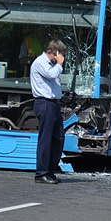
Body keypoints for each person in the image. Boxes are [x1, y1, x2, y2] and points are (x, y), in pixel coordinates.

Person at [30, 40, 67, 184]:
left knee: (58, 138)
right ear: (55, 53)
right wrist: (59, 64)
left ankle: (51, 170)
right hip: (44, 103)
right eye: (61, 55)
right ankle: (41, 173)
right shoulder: (41, 62)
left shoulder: (51, 65)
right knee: (46, 139)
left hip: (53, 104)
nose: (62, 58)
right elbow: (51, 75)